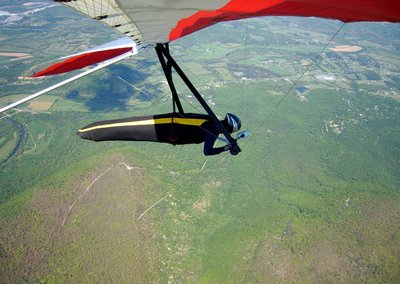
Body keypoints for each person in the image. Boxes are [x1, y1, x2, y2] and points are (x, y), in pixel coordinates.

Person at [77, 112, 241, 156]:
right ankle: (88, 132)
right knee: (128, 128)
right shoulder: (212, 130)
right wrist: (225, 148)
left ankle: (87, 132)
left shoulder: (210, 121)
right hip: (165, 129)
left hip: (169, 123)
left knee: (129, 126)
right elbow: (207, 151)